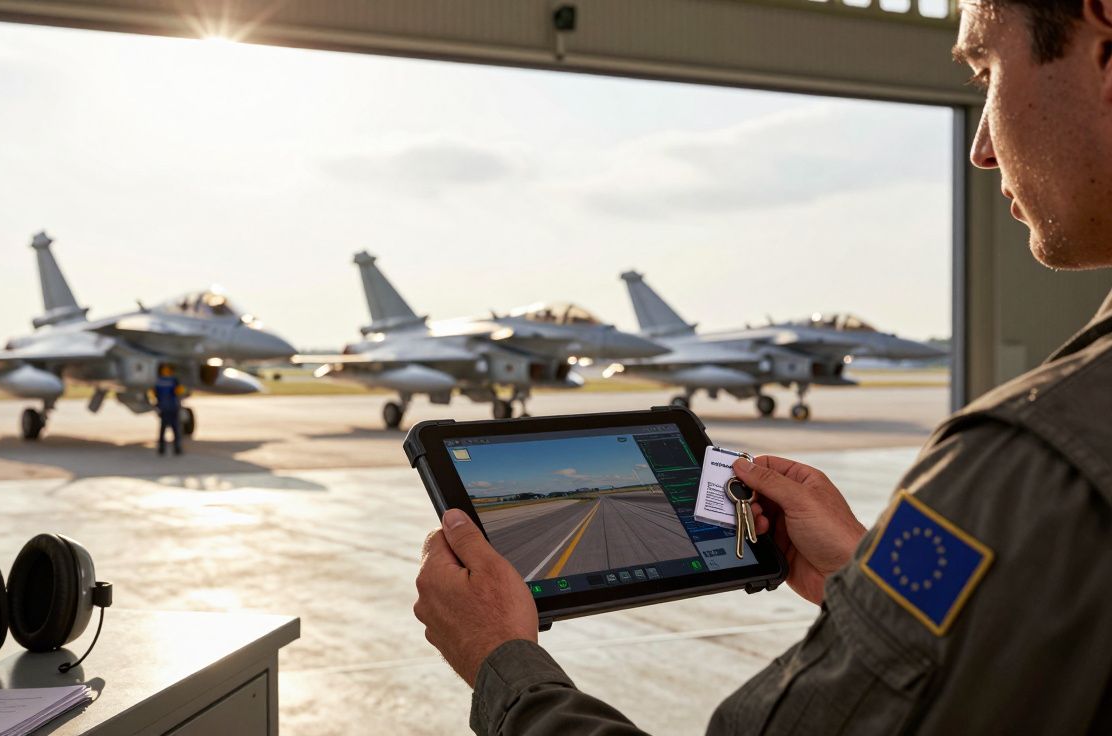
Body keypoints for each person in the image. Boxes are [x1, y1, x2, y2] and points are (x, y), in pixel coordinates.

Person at [413, 1, 1112, 732]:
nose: (981, 150)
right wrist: (864, 582)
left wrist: (502, 661)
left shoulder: (1032, 461)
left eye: (987, 69)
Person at [153, 364, 185, 456]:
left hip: (163, 407)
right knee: (175, 429)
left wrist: (158, 404)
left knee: (162, 429)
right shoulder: (174, 381)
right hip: (173, 407)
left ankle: (161, 448)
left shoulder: (158, 381)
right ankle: (177, 448)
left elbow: (155, 393)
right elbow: (180, 392)